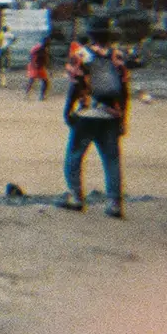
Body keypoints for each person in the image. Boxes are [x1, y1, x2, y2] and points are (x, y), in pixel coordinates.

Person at [57, 25, 131, 218]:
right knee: (111, 160)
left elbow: (74, 85)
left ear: (90, 35)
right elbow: (124, 90)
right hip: (111, 115)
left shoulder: (80, 54)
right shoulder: (118, 56)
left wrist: (68, 110)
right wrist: (123, 116)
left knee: (75, 155)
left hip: (87, 114)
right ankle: (114, 203)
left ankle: (76, 197)